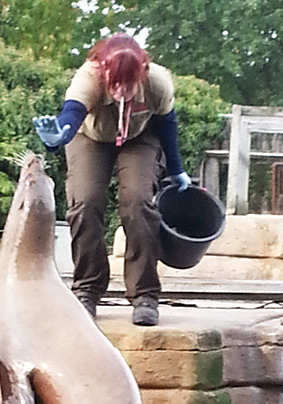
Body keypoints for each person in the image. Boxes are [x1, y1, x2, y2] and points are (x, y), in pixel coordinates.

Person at [33, 33, 191, 326]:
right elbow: (71, 115)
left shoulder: (157, 82)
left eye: (129, 85)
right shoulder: (88, 78)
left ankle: (145, 295)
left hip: (140, 138)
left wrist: (176, 169)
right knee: (85, 202)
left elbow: (167, 125)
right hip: (90, 137)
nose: (121, 92)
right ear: (104, 71)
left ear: (141, 73)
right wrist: (57, 138)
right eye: (115, 84)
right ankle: (87, 291)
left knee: (138, 203)